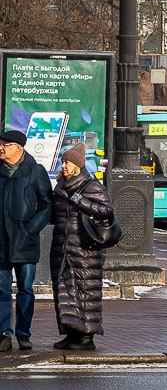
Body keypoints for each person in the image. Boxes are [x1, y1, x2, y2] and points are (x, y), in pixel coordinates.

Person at [50, 143, 112, 350]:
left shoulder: (90, 186)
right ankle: (71, 333)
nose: (64, 165)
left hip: (84, 250)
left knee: (85, 291)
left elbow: (106, 210)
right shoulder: (61, 186)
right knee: (66, 291)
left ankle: (86, 337)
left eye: (67, 162)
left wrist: (79, 200)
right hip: (62, 249)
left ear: (77, 164)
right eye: (63, 161)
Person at [0, 129, 52, 351]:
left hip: (26, 240)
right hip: (1, 240)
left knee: (25, 289)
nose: (0, 148)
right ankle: (3, 333)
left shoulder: (35, 171)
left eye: (5, 145)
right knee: (1, 290)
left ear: (18, 148)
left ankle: (23, 333)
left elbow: (47, 204)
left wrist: (31, 229)